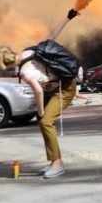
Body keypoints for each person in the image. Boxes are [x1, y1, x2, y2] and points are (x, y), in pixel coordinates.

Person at [17, 9, 81, 178]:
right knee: (44, 123)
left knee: (45, 120)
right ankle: (53, 161)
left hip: (65, 88)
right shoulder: (32, 51)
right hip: (52, 88)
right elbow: (52, 34)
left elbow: (37, 90)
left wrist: (40, 112)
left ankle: (57, 163)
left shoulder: (28, 61)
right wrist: (67, 18)